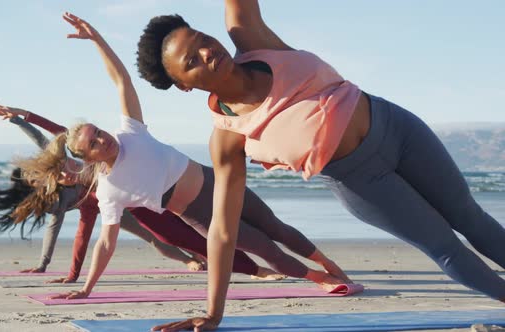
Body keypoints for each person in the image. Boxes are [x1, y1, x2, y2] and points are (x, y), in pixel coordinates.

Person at [135, 1, 505, 330]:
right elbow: (222, 231)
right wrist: (213, 313)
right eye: (191, 61)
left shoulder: (254, 41)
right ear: (184, 85)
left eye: (200, 38)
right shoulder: (229, 137)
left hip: (397, 128)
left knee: (469, 216)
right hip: (364, 183)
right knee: (445, 247)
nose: (205, 51)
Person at [46, 12, 350, 300]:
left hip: (216, 183)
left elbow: (121, 80)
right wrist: (86, 288)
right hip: (202, 217)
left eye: (98, 131)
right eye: (94, 143)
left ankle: (329, 263)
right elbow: (106, 243)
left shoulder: (131, 132)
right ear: (90, 158)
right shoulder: (110, 190)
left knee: (276, 227)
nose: (103, 139)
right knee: (268, 250)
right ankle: (319, 278)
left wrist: (97, 39)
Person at [0, 103, 287, 283]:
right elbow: (83, 234)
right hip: (136, 206)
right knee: (177, 238)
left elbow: (56, 133)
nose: (66, 173)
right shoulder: (79, 198)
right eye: (60, 177)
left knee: (222, 221)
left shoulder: (74, 154)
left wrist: (22, 116)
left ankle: (273, 247)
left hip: (155, 182)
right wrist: (71, 273)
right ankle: (255, 269)